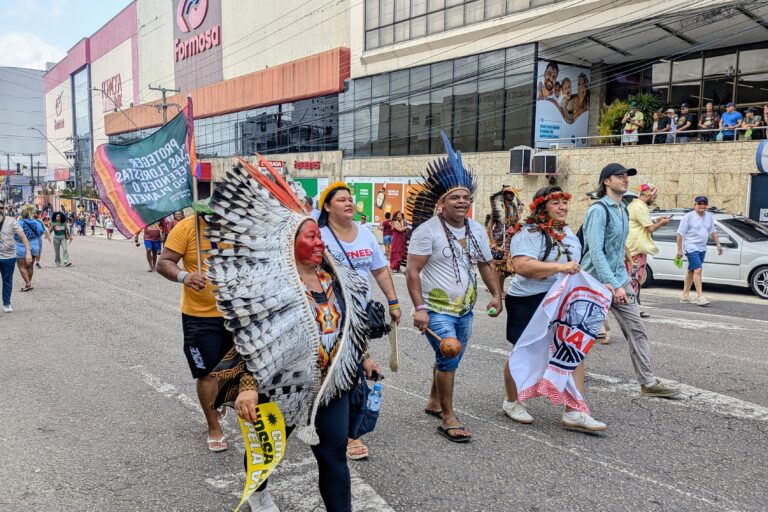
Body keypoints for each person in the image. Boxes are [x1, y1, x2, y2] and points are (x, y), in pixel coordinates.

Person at [206, 162, 371, 512]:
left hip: (330, 386)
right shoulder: (265, 287)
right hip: (278, 383)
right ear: (288, 243)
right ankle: (260, 491)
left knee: (334, 458)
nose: (319, 242)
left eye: (319, 236)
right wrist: (249, 386)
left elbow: (350, 325)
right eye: (310, 237)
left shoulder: (335, 277)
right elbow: (248, 339)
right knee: (267, 454)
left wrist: (361, 355)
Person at [406, 132, 502, 443]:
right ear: (441, 203)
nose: (462, 202)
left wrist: (497, 294)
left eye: (466, 198)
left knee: (452, 356)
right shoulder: (426, 231)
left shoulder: (475, 228)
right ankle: (448, 415)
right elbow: (412, 271)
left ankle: (434, 400)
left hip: (465, 309)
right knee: (449, 353)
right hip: (436, 310)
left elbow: (486, 265)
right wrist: (419, 308)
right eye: (455, 198)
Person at [502, 186, 606, 431]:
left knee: (572, 348)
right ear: (541, 206)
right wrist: (559, 268)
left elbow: (575, 266)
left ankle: (574, 411)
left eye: (564, 202)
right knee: (524, 351)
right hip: (528, 299)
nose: (562, 207)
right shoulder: (529, 232)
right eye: (555, 203)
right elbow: (522, 266)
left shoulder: (568, 233)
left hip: (561, 300)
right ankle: (512, 401)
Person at [580, 163, 681, 398]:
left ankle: (647, 382)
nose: (625, 180)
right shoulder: (598, 210)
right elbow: (595, 251)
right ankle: (563, 370)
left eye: (626, 177)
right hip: (594, 281)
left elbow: (618, 244)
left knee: (636, 328)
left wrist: (628, 267)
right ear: (606, 181)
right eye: (619, 176)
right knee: (582, 331)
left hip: (619, 279)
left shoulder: (622, 209)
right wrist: (614, 285)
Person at [316, 182, 400, 461]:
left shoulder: (365, 234)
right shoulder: (319, 236)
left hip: (359, 317)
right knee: (327, 369)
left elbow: (379, 269)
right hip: (327, 316)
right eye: (341, 200)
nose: (348, 203)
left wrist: (393, 302)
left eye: (350, 199)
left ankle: (351, 433)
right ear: (327, 207)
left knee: (354, 369)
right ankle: (321, 418)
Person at [156, 205, 231, 453]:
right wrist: (184, 277)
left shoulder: (238, 227)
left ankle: (219, 401)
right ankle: (214, 428)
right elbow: (164, 262)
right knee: (207, 372)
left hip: (238, 314)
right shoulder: (186, 227)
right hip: (200, 316)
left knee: (232, 370)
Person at [626, 183, 669, 318]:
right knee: (635, 279)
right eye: (654, 195)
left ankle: (633, 306)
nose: (655, 198)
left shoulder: (634, 205)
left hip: (633, 248)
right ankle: (633, 308)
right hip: (636, 250)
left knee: (634, 279)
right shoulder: (640, 207)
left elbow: (643, 222)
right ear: (647, 194)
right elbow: (650, 228)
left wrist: (656, 219)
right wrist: (662, 223)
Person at [676, 195, 722, 306]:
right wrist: (679, 249)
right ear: (695, 205)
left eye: (704, 204)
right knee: (698, 270)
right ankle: (700, 296)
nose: (702, 206)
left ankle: (685, 295)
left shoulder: (709, 216)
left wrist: (718, 244)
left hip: (702, 247)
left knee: (691, 270)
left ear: (706, 205)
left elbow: (713, 231)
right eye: (699, 204)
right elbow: (680, 233)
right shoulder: (688, 217)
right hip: (690, 247)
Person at [487, 186, 524, 292]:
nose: (511, 195)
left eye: (513, 194)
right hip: (499, 241)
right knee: (501, 268)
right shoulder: (497, 209)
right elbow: (489, 227)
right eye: (509, 193)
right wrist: (492, 242)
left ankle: (495, 286)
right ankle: (499, 290)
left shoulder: (514, 208)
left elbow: (517, 219)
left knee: (511, 267)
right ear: (504, 195)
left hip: (511, 240)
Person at [0, 200, 31, 312]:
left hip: (9, 257)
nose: (0, 210)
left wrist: (28, 252)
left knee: (7, 280)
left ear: (4, 209)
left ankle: (7, 303)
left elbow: (23, 237)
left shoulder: (11, 221)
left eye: (1, 208)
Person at [16, 205, 44, 292]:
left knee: (21, 266)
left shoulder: (19, 223)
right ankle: (28, 283)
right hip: (34, 245)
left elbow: (15, 234)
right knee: (30, 266)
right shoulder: (36, 223)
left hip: (21, 246)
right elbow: (40, 232)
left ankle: (28, 283)